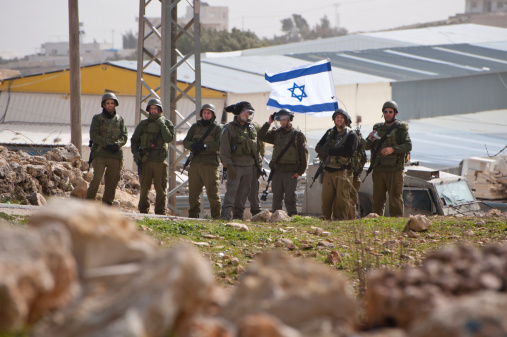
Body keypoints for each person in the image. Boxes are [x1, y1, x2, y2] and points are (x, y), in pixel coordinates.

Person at [365, 100, 412, 217]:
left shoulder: (400, 129)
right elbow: (366, 146)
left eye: (390, 112)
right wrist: (370, 139)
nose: (388, 114)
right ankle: (376, 224)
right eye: (385, 112)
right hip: (379, 169)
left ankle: (396, 225)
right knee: (377, 200)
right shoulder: (378, 128)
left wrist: (393, 149)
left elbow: (408, 145)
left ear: (395, 113)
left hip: (395, 170)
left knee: (395, 199)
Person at [258, 109, 308, 216]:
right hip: (277, 171)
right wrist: (268, 123)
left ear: (289, 119)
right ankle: (277, 218)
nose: (283, 121)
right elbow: (260, 136)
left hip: (291, 172)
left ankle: (293, 217)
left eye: (285, 119)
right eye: (280, 119)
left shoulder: (297, 135)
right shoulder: (276, 133)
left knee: (290, 197)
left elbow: (304, 155)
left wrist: (300, 171)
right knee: (277, 198)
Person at [131, 98, 175, 215]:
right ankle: (143, 211)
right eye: (151, 108)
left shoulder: (166, 123)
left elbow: (169, 138)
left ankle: (160, 212)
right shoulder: (143, 124)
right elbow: (134, 140)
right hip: (145, 160)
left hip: (160, 161)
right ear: (149, 110)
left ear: (159, 109)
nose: (153, 110)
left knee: (160, 188)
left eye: (156, 108)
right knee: (144, 188)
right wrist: (136, 155)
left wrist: (161, 124)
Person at [315, 108, 358, 220]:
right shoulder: (330, 133)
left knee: (342, 201)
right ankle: (326, 220)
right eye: (337, 117)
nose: (339, 120)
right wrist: (322, 150)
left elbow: (348, 151)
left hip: (343, 171)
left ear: (345, 120)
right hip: (329, 170)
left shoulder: (351, 135)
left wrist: (329, 151)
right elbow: (318, 146)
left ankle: (340, 223)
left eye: (341, 118)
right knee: (326, 200)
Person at [220, 101, 260, 220]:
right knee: (231, 192)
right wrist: (229, 166)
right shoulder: (229, 128)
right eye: (245, 112)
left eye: (249, 113)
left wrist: (258, 165)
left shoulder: (252, 129)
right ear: (238, 113)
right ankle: (226, 215)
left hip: (249, 166)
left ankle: (238, 216)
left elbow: (257, 148)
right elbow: (224, 149)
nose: (247, 115)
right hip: (235, 166)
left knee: (243, 193)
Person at [86, 93, 128, 205]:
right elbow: (93, 135)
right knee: (97, 178)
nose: (110, 105)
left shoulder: (120, 120)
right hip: (100, 153)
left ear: (115, 105)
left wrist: (116, 145)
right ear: (103, 105)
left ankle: (107, 205)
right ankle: (88, 204)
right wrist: (107, 144)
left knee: (112, 182)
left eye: (112, 103)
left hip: (115, 154)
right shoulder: (97, 118)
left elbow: (124, 136)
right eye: (107, 103)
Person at [183, 103, 222, 219]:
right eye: (204, 113)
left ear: (213, 115)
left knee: (213, 194)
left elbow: (219, 144)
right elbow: (186, 141)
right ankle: (193, 218)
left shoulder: (217, 128)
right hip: (195, 164)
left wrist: (205, 147)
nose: (206, 115)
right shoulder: (195, 126)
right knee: (193, 194)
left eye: (208, 113)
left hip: (210, 164)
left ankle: (216, 218)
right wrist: (193, 146)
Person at [234, 120, 265, 217]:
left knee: (253, 192)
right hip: (239, 165)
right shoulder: (233, 127)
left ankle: (256, 215)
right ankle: (238, 215)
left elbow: (261, 148)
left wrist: (259, 164)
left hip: (253, 165)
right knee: (239, 193)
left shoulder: (255, 127)